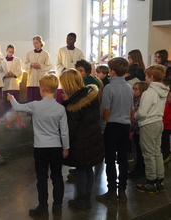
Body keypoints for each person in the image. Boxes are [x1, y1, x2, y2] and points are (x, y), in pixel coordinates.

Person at [7, 74, 69, 218]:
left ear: (42, 88)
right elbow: (64, 131)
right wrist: (66, 148)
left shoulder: (35, 105)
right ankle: (57, 206)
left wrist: (11, 99)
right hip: (56, 147)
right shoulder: (60, 108)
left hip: (40, 147)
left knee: (42, 178)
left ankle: (42, 207)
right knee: (57, 177)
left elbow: (17, 107)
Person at [59, 69, 103, 210]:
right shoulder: (90, 95)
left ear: (69, 84)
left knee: (81, 171)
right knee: (88, 169)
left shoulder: (75, 105)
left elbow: (70, 128)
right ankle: (87, 197)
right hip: (93, 138)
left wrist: (64, 146)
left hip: (81, 142)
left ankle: (81, 199)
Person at [96, 57, 134, 204]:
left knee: (110, 159)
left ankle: (111, 190)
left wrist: (102, 127)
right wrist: (128, 123)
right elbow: (131, 110)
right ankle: (122, 190)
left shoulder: (109, 88)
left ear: (111, 71)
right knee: (123, 158)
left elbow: (105, 111)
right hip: (125, 126)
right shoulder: (129, 87)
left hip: (111, 126)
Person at [135, 65, 169, 193]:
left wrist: (135, 117)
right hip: (158, 122)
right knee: (157, 152)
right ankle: (159, 180)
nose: (145, 78)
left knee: (148, 153)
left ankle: (150, 181)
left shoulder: (149, 92)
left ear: (151, 77)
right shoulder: (163, 91)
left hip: (148, 123)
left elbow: (142, 112)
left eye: (146, 76)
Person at [55, 33, 85, 103]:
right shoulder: (61, 50)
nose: (68, 41)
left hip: (74, 78)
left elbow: (82, 65)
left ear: (75, 40)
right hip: (63, 77)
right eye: (67, 39)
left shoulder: (79, 52)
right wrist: (65, 71)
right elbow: (57, 64)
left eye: (70, 39)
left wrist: (74, 73)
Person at [128, 81, 149, 178]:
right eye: (133, 88)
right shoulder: (134, 99)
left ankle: (140, 170)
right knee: (138, 150)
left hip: (140, 129)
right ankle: (139, 169)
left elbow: (136, 116)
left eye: (136, 89)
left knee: (140, 151)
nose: (133, 91)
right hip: (135, 129)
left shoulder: (141, 101)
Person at [23, 35, 52, 103]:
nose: (35, 45)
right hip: (31, 80)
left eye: (36, 43)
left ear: (40, 43)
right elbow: (24, 64)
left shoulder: (45, 54)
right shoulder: (29, 53)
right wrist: (31, 64)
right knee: (31, 100)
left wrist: (40, 66)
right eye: (33, 43)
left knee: (40, 99)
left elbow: (49, 66)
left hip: (40, 79)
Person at [2, 44, 23, 113]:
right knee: (6, 104)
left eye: (12, 52)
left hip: (14, 84)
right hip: (5, 85)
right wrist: (5, 75)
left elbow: (20, 71)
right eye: (9, 51)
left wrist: (13, 74)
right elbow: (0, 72)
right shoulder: (2, 61)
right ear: (6, 51)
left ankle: (15, 118)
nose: (11, 53)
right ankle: (6, 120)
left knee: (14, 103)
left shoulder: (18, 60)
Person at [161, 78, 171, 163]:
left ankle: (166, 154)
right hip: (164, 121)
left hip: (168, 122)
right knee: (163, 139)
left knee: (165, 139)